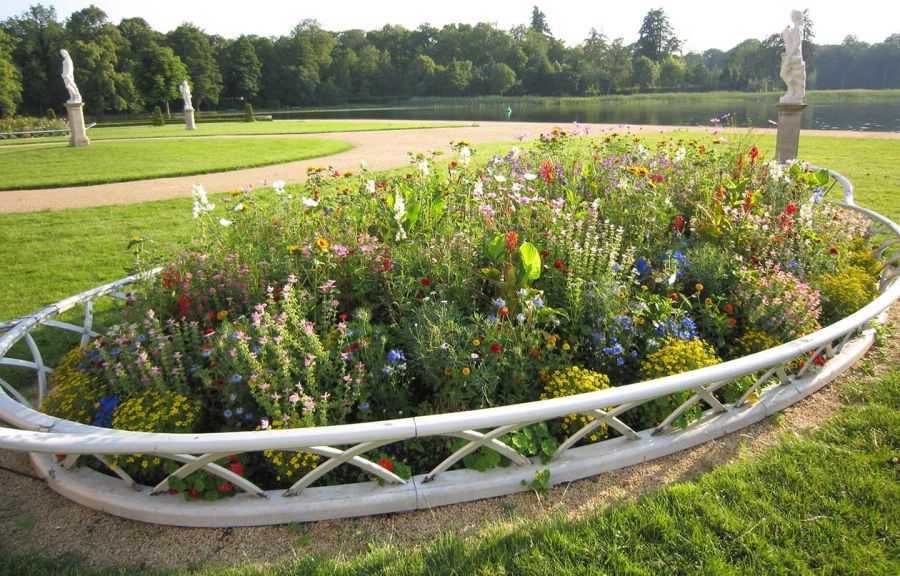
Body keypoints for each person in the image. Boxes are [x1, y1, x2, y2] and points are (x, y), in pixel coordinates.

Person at [779, 10, 806, 104]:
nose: (791, 16)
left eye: (792, 15)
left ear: (795, 16)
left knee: (782, 73)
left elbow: (797, 43)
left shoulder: (797, 28)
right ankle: (792, 90)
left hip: (795, 56)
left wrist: (789, 56)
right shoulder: (797, 28)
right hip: (793, 55)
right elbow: (792, 43)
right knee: (783, 73)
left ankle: (792, 91)